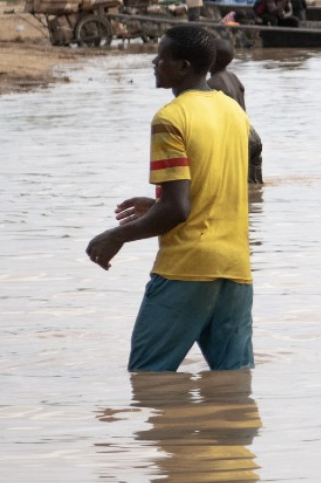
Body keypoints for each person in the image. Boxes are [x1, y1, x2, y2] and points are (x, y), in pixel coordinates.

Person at [86, 24, 254, 372]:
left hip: (186, 269)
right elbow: (216, 187)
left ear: (184, 68)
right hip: (236, 270)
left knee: (148, 380)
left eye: (162, 58)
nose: (154, 62)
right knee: (234, 388)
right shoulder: (235, 113)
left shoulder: (170, 118)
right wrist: (157, 204)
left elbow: (177, 209)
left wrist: (115, 235)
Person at [206, 32, 264, 185]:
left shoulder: (212, 84)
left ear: (210, 59)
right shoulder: (233, 77)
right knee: (254, 186)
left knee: (236, 185)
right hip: (251, 134)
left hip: (236, 138)